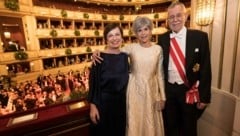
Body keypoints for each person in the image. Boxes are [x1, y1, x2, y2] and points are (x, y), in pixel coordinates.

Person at [92, 16, 166, 136]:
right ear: (136, 33)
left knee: (150, 124)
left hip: (151, 92)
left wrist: (162, 97)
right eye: (139, 30)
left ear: (151, 30)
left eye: (146, 29)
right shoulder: (131, 48)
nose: (143, 33)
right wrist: (97, 52)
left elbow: (160, 75)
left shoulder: (158, 49)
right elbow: (113, 51)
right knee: (135, 124)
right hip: (134, 93)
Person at [158, 1, 212, 136]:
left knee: (189, 128)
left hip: (188, 91)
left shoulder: (200, 37)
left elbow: (205, 68)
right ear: (168, 19)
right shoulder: (162, 39)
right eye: (171, 17)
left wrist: (204, 97)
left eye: (178, 15)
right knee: (170, 128)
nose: (175, 19)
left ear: (186, 16)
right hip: (168, 91)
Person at [87, 23, 129, 136]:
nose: (114, 38)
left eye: (117, 34)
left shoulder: (125, 57)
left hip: (121, 106)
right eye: (110, 35)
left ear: (122, 37)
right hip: (103, 106)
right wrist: (93, 107)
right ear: (106, 39)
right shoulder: (99, 57)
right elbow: (93, 84)